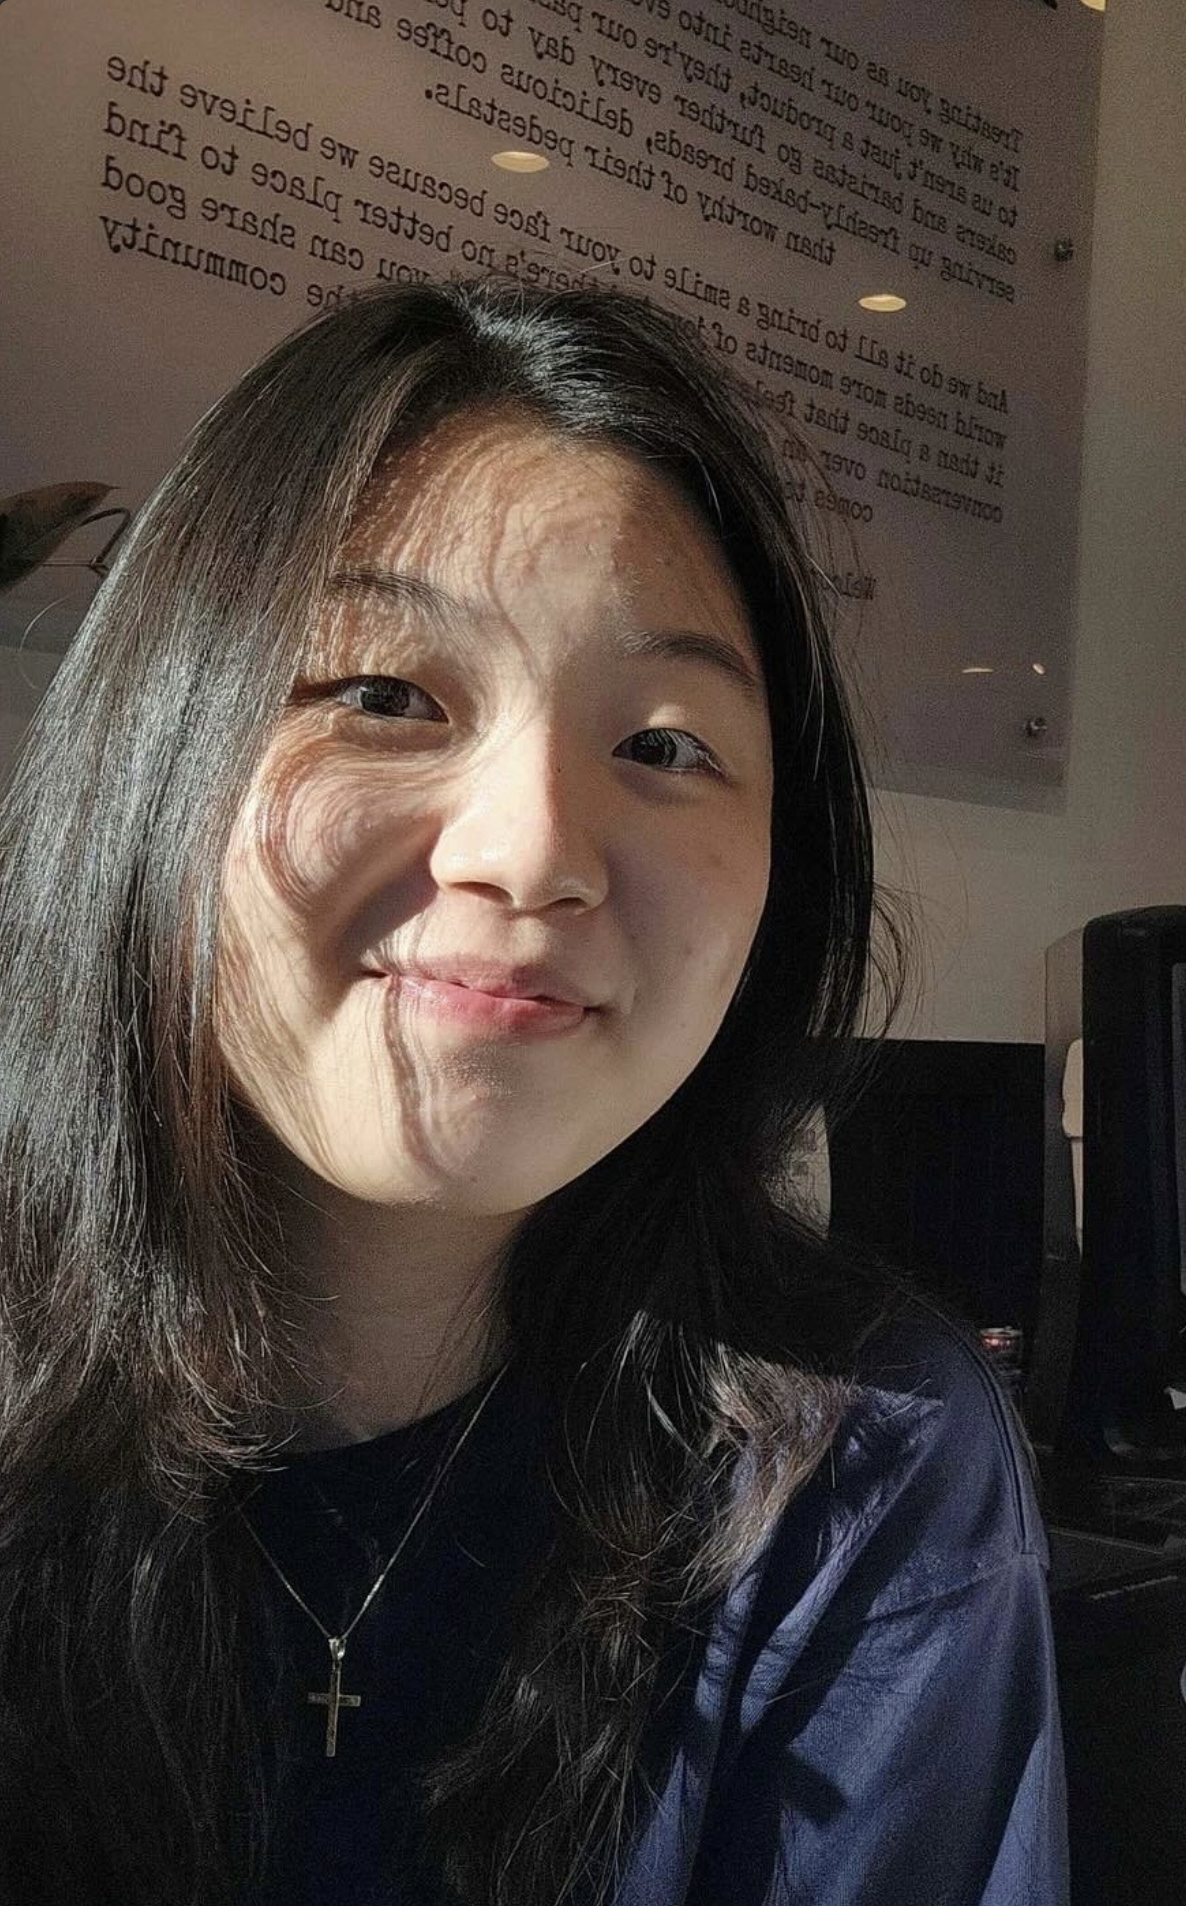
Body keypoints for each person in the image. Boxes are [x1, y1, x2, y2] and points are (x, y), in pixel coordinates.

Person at [0, 273, 1068, 1906]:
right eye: (384, 695)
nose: (533, 851)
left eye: (663, 745)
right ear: (154, 752)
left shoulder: (856, 1463)